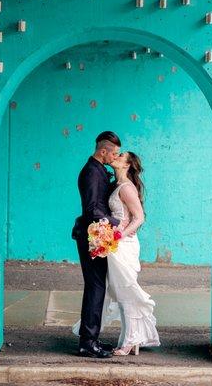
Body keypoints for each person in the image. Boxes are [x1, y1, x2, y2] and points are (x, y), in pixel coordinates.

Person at [102, 151, 160, 356]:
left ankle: (130, 340)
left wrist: (118, 235)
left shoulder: (126, 188)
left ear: (127, 165)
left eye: (121, 156)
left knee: (126, 290)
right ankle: (130, 338)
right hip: (117, 244)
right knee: (121, 291)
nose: (116, 156)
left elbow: (139, 218)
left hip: (123, 244)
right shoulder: (117, 185)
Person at [71, 131, 122, 358]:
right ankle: (87, 343)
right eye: (115, 154)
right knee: (95, 287)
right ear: (103, 151)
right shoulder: (92, 172)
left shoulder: (100, 169)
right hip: (91, 236)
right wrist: (116, 222)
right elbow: (92, 209)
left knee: (97, 287)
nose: (115, 158)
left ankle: (93, 339)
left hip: (97, 235)